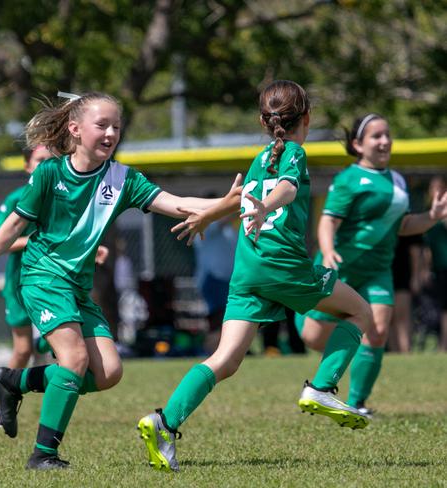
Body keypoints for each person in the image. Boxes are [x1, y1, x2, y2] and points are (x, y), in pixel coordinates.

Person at [0, 91, 243, 470]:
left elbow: (174, 202)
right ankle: (43, 454)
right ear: (75, 129)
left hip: (77, 287)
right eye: (103, 125)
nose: (111, 132)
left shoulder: (122, 178)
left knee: (108, 373)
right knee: (74, 358)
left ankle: (13, 381)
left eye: (116, 126)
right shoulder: (50, 173)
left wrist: (226, 204)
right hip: (43, 277)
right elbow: (15, 222)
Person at [137, 80, 375, 473]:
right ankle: (322, 387)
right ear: (307, 119)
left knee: (226, 359)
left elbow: (239, 197)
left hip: (247, 268)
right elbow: (285, 188)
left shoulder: (258, 158)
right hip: (282, 264)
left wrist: (209, 215)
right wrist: (265, 205)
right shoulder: (294, 152)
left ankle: (163, 422)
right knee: (361, 313)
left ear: (262, 122)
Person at [295, 114, 447, 416]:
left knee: (377, 332)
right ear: (357, 144)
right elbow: (328, 221)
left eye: (387, 135)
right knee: (312, 337)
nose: (385, 141)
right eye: (376, 136)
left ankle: (357, 402)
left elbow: (402, 225)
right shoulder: (349, 179)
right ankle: (335, 364)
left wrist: (432, 216)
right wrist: (326, 251)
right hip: (341, 267)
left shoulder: (398, 181)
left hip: (378, 271)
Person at [0, 144, 109, 428]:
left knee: (64, 351)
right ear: (28, 166)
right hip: (23, 282)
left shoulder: (63, 193)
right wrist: (39, 242)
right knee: (22, 350)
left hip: (60, 283)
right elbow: (0, 238)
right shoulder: (18, 198)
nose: (45, 164)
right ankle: (3, 403)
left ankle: (35, 389)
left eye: (49, 159)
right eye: (39, 159)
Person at [192, 212, 237, 352]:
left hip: (227, 280)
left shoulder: (230, 230)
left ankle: (226, 350)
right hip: (212, 279)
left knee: (229, 318)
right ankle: (211, 351)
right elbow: (223, 219)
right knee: (218, 320)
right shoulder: (203, 226)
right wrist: (239, 208)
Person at [424, 176, 447, 351]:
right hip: (440, 269)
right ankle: (443, 344)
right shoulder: (428, 217)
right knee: (442, 308)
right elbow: (425, 248)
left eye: (441, 188)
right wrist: (423, 270)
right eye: (434, 188)